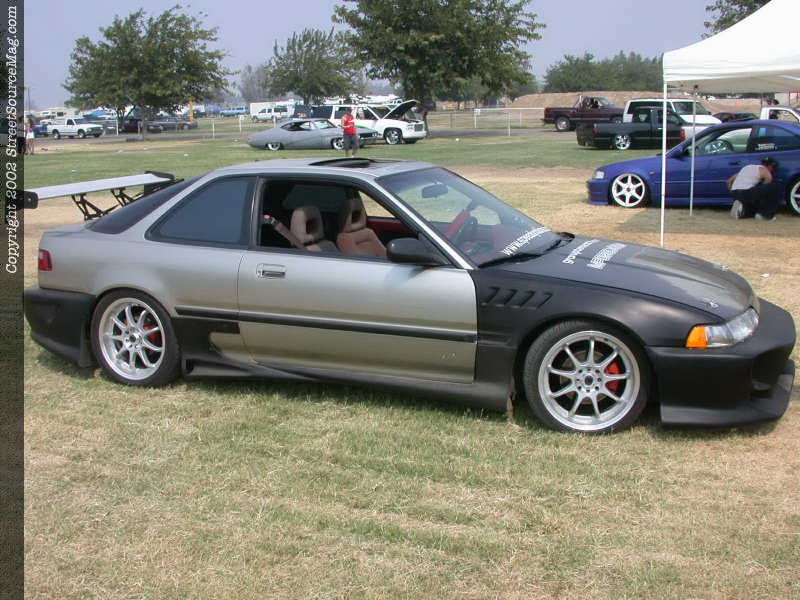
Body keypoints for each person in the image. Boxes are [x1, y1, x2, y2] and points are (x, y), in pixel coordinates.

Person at [727, 157, 780, 221]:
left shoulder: (747, 168)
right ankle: (765, 215)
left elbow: (729, 181)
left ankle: (741, 210)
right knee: (775, 186)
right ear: (771, 166)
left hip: (735, 193)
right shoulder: (766, 172)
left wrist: (732, 193)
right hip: (746, 192)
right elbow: (766, 189)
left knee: (751, 210)